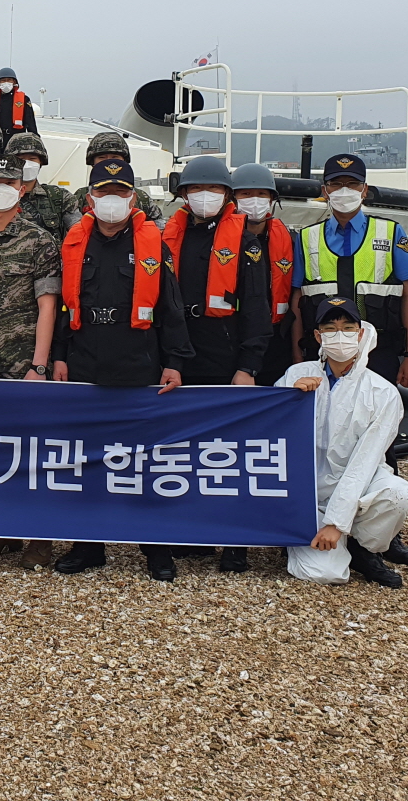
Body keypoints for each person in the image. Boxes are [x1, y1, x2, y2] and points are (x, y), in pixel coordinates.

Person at [50, 159, 196, 582]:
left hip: (139, 364)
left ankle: (155, 547)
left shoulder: (152, 243)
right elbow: (65, 306)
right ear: (89, 197)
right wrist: (59, 355)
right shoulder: (75, 242)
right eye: (103, 192)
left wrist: (174, 362)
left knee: (146, 462)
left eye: (119, 192)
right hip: (85, 362)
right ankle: (88, 545)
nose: (111, 199)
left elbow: (170, 305)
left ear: (133, 198)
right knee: (86, 460)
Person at [290, 152, 408, 567]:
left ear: (365, 190)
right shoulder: (307, 237)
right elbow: (297, 301)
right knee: (323, 434)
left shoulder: (391, 233)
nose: (343, 191)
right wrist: (298, 354)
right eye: (336, 184)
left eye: (352, 184)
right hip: (323, 352)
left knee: (383, 441)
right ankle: (317, 513)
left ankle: (382, 535)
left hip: (379, 354)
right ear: (324, 190)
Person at [161, 156, 272, 572]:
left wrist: (249, 366)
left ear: (227, 195)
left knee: (229, 453)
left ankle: (236, 542)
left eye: (213, 189)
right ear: (183, 195)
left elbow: (257, 308)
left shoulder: (246, 242)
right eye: (195, 189)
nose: (203, 196)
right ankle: (196, 533)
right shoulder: (168, 237)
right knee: (185, 450)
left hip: (225, 356)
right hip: (180, 355)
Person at [0, 158, 62, 569]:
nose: (0, 187)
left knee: (32, 454)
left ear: (21, 189)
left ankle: (40, 538)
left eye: (8, 181)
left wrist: (39, 365)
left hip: (21, 365)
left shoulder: (40, 241)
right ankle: (1, 530)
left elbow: (48, 306)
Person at [279, 298, 408, 588]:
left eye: (347, 327)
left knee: (398, 496)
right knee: (326, 574)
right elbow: (268, 430)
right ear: (318, 336)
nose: (339, 335)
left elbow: (364, 462)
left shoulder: (382, 392)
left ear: (360, 333)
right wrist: (288, 399)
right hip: (308, 493)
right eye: (330, 328)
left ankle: (362, 547)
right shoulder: (296, 376)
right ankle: (305, 538)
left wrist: (337, 523)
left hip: (359, 485)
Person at [230, 163, 297, 387]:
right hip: (232, 338)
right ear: (233, 198)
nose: (254, 200)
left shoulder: (289, 241)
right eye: (246, 194)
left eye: (261, 194)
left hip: (276, 341)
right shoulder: (220, 241)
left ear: (271, 200)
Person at [72, 131, 165, 225]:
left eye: (115, 157)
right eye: (102, 157)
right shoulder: (81, 196)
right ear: (93, 162)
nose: (109, 162)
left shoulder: (141, 198)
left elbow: (159, 224)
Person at [3, 132, 79, 244]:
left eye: (32, 158)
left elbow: (78, 230)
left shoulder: (59, 197)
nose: (26, 164)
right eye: (20, 158)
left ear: (41, 162)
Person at [0, 67, 37, 142]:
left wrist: (35, 138)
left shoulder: (24, 99)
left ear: (14, 82)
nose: (6, 82)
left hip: (18, 139)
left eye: (9, 80)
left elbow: (30, 122)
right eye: (3, 80)